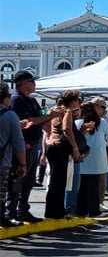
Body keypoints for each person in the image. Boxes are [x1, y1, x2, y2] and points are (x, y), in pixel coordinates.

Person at [6, 71, 63, 223]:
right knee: (18, 179)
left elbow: (40, 115)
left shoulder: (31, 100)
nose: (34, 84)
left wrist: (47, 120)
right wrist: (48, 117)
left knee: (29, 180)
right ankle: (10, 212)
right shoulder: (16, 100)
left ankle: (23, 209)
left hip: (33, 144)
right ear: (24, 83)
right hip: (23, 144)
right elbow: (27, 121)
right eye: (32, 81)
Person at [43, 90, 84, 219]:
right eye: (77, 100)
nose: (79, 102)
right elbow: (67, 129)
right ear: (72, 101)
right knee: (60, 181)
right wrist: (75, 147)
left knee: (54, 181)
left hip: (52, 145)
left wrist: (52, 134)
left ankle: (52, 210)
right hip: (60, 147)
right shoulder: (67, 111)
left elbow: (45, 125)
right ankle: (57, 212)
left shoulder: (55, 109)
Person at [75, 102, 108, 217]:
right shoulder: (103, 122)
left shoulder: (77, 123)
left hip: (82, 156)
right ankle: (94, 210)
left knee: (81, 186)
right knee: (94, 186)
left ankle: (80, 210)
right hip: (98, 158)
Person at [0, 82, 27, 228]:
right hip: (3, 161)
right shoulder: (10, 115)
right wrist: (23, 163)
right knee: (1, 193)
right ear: (5, 98)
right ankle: (1, 217)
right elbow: (18, 142)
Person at [90, 97, 108, 212]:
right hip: (89, 151)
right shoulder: (87, 116)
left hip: (104, 150)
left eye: (93, 106)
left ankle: (100, 201)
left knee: (101, 177)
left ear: (100, 108)